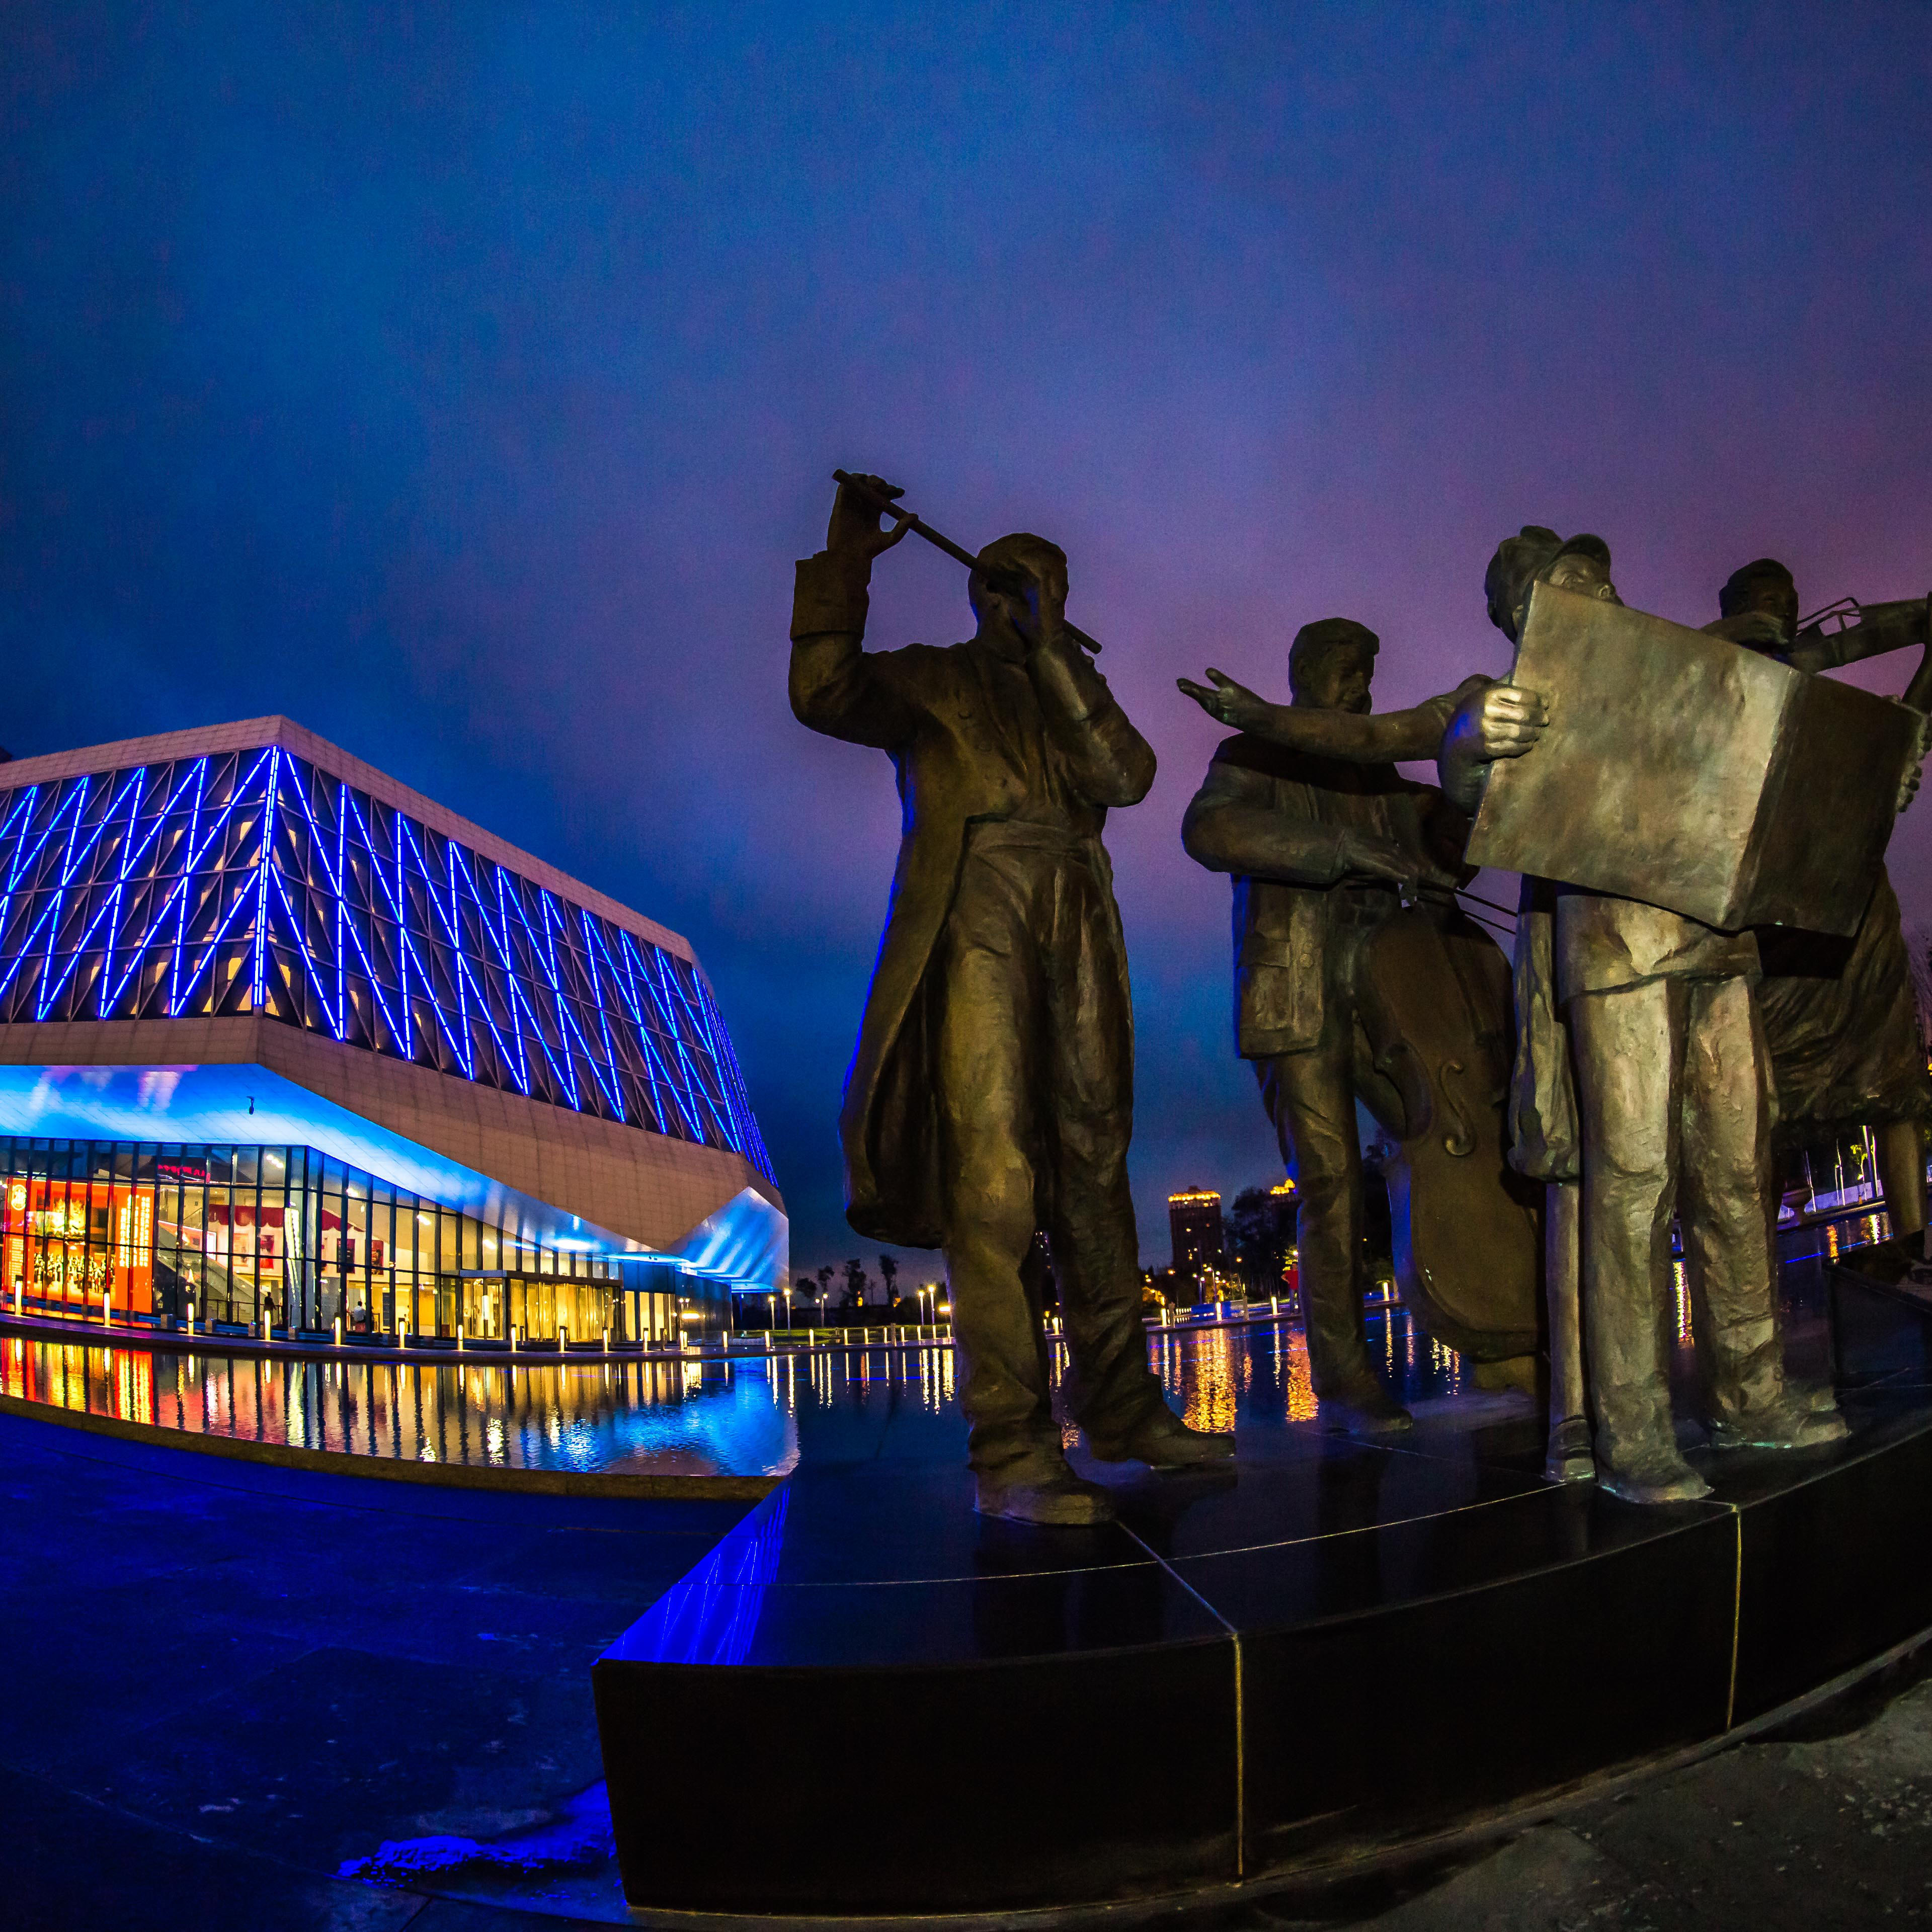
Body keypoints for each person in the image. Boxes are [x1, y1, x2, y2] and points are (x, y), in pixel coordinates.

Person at [790, 474, 1230, 1526]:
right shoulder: (934, 679)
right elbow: (823, 690)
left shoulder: (1072, 686)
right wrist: (845, 559)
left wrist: (1055, 653)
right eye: (1007, 585)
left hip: (1078, 906)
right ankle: (1012, 1447)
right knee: (991, 1174)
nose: (1021, 601)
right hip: (976, 905)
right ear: (976, 593)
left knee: (1095, 1161)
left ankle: (1122, 1409)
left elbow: (1127, 776)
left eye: (1043, 587)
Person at [1442, 529, 1846, 1504]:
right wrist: (1468, 743)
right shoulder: (1515, 699)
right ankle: (1632, 1433)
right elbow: (1465, 791)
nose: (1601, 603)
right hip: (1617, 955)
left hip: (1718, 940)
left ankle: (1751, 1395)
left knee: (1737, 1172)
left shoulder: (1680, 682)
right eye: (1571, 591)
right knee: (1632, 1186)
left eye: (1604, 586)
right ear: (1524, 616)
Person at [1180, 619, 1489, 1433]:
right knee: (1330, 1181)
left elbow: (1455, 854)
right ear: (1305, 671)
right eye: (1346, 669)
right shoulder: (1251, 756)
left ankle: (1490, 1322)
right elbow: (1208, 830)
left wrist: (1467, 785)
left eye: (1368, 672)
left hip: (1396, 991)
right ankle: (1346, 1377)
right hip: (1297, 991)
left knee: (1450, 1146)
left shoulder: (1381, 773)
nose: (1361, 687)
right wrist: (1345, 847)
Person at [1711, 557, 1932, 1248]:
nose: (1778, 616)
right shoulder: (1712, 703)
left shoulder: (1829, 711)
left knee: (1894, 1083)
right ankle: (1753, 1272)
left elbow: (1897, 753)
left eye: (1787, 604)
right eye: (1761, 604)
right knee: (1767, 1105)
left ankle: (1914, 1245)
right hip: (1776, 926)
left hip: (1858, 918)